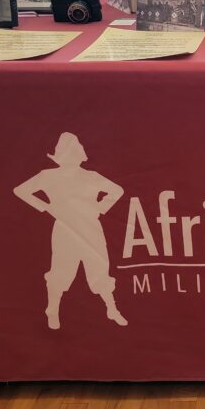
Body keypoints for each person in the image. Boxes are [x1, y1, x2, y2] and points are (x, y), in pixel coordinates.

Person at [13, 133, 128, 330]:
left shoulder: (90, 177)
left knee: (99, 267)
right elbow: (21, 190)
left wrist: (100, 207)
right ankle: (52, 309)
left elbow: (117, 190)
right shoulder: (48, 176)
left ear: (79, 155)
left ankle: (111, 308)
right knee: (61, 270)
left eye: (74, 154)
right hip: (65, 230)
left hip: (91, 229)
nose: (71, 158)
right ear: (60, 157)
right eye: (67, 154)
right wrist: (46, 207)